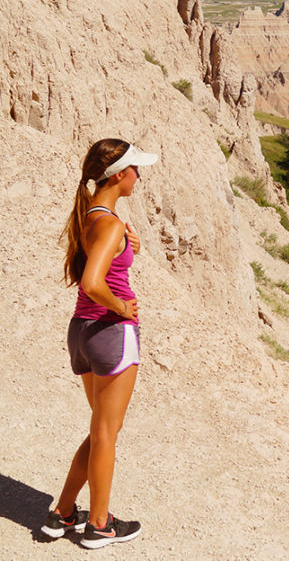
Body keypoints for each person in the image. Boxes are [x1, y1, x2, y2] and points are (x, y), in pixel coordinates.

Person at [41, 139, 157, 549]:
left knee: (99, 430)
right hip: (110, 331)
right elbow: (93, 283)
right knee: (107, 433)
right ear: (120, 175)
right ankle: (101, 525)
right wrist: (123, 308)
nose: (139, 177)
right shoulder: (109, 223)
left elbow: (95, 268)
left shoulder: (91, 218)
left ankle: (65, 512)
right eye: (136, 170)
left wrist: (129, 250)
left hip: (82, 332)